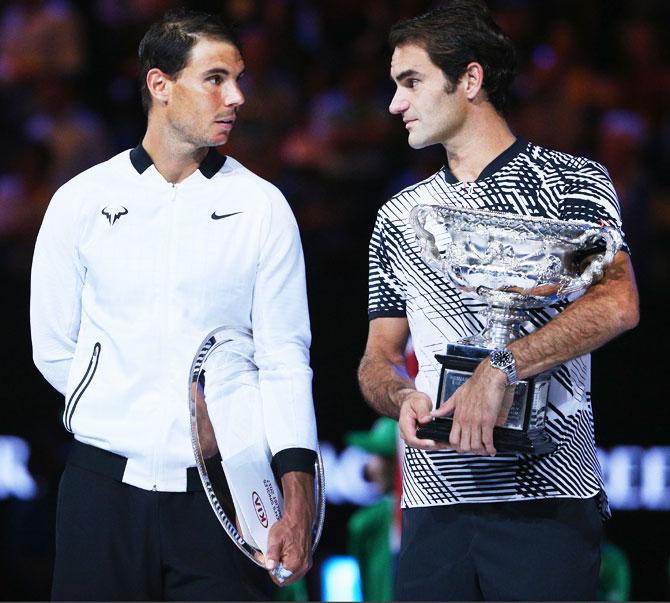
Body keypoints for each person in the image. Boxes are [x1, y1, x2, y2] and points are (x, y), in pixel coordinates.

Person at [30, 9, 317, 601]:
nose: (236, 96)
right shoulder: (80, 201)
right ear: (160, 85)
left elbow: (285, 357)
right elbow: (53, 346)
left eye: (238, 79)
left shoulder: (263, 207)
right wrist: (131, 407)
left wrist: (297, 489)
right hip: (102, 491)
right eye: (215, 79)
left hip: (224, 492)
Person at [357, 2, 639, 601]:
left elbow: (617, 302)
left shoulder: (570, 185)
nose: (395, 104)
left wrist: (502, 364)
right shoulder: (400, 217)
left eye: (411, 83)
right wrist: (400, 395)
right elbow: (378, 355)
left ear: (470, 79)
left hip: (550, 501)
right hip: (434, 506)